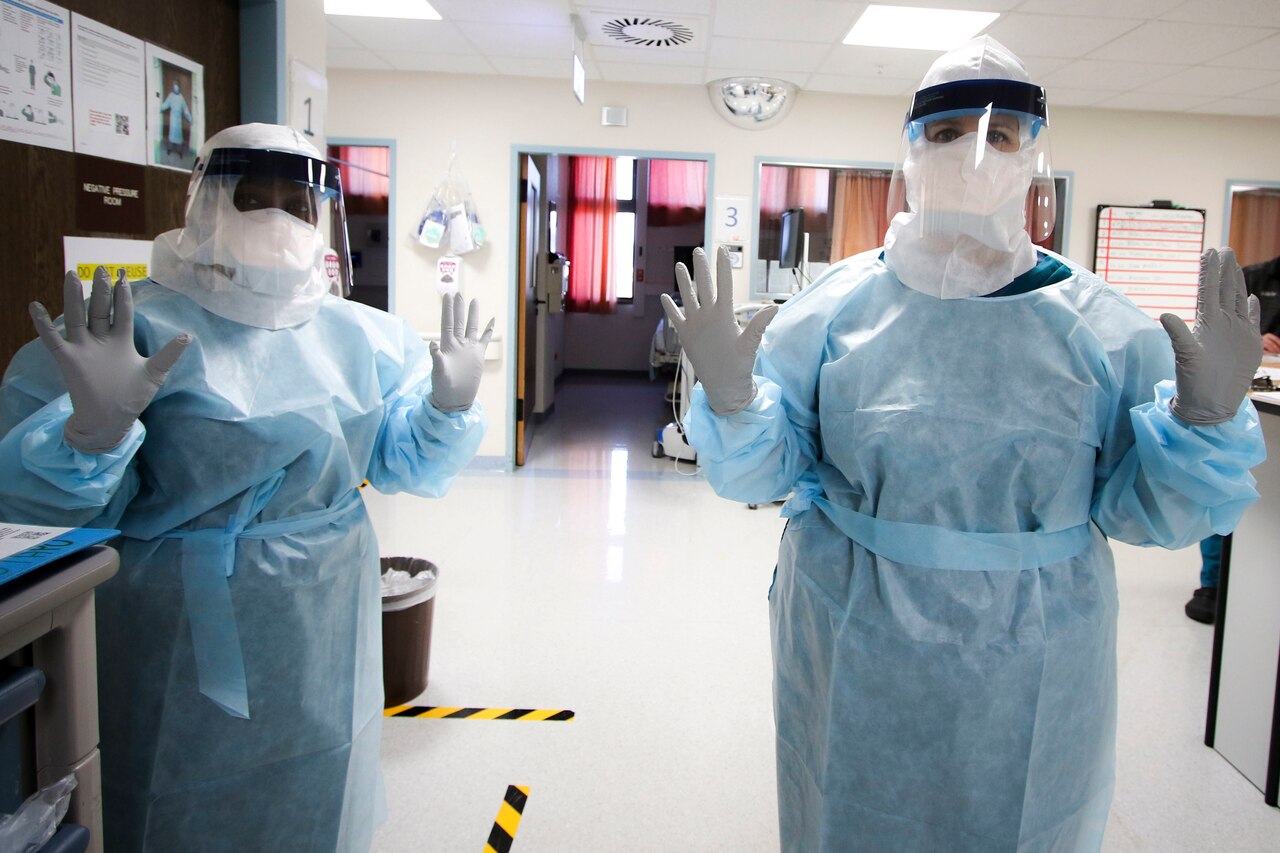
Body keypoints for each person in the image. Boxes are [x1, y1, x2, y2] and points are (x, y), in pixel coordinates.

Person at [661, 37, 1264, 851]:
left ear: (1032, 159)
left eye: (1001, 137)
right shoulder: (834, 308)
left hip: (1036, 659)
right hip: (853, 639)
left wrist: (1205, 424)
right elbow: (762, 469)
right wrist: (733, 404)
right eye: (947, 134)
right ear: (911, 151)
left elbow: (1147, 511)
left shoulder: (1102, 326)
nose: (974, 154)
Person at [0, 123, 492, 851]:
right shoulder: (138, 325)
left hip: (323, 614)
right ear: (204, 203)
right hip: (173, 624)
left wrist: (447, 409)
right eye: (251, 195)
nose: (273, 216)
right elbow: (38, 515)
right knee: (166, 790)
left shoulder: (360, 335)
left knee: (319, 774)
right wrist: (89, 438)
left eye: (295, 202)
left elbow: (404, 461)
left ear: (320, 216)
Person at [1187, 255, 1279, 623]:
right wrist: (1254, 340)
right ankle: (1213, 584)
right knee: (1225, 486)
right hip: (1247, 395)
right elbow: (1220, 332)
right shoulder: (1256, 275)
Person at [159, 80, 192, 157]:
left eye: (177, 86)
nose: (176, 88)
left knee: (178, 136)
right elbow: (166, 104)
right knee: (172, 134)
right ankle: (169, 149)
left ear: (179, 87)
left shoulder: (181, 98)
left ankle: (180, 152)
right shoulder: (171, 96)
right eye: (174, 86)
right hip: (173, 118)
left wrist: (190, 119)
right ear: (173, 87)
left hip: (178, 120)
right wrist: (161, 108)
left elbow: (185, 109)